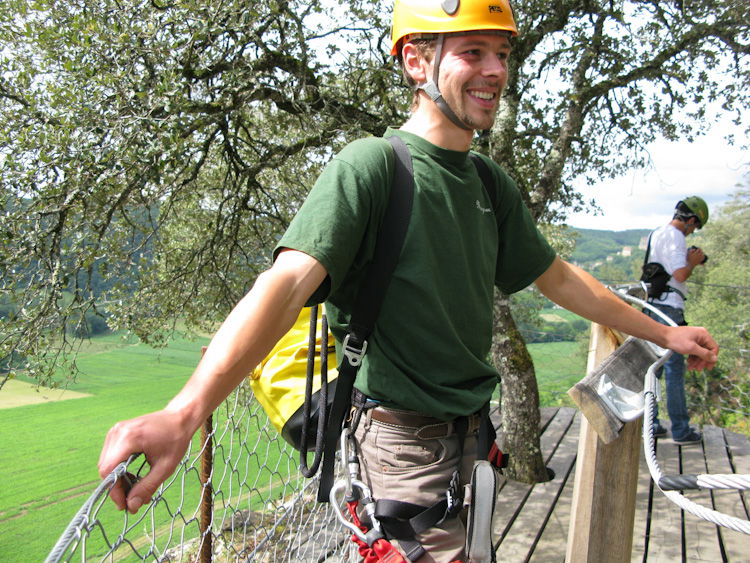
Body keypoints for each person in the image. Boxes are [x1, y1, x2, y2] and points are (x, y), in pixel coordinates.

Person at [98, 1, 718, 560]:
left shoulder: (486, 182)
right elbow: (284, 286)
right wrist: (184, 412)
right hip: (402, 452)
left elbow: (557, 276)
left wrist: (665, 333)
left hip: (473, 435)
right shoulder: (370, 167)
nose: (496, 70)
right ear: (417, 61)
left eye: (502, 53)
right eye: (472, 51)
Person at [643, 197, 710, 445]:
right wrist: (692, 262)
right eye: (695, 226)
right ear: (691, 219)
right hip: (670, 308)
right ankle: (681, 430)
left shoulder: (656, 234)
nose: (693, 231)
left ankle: (652, 424)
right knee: (674, 371)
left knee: (653, 369)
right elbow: (680, 274)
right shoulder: (676, 236)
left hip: (652, 305)